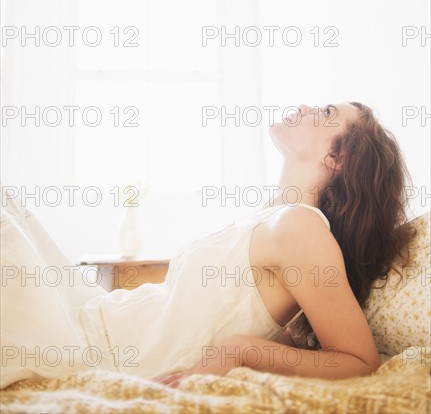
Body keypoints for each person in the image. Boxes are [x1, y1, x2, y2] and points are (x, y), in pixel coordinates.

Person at [0, 102, 416, 389]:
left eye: (327, 113)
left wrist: (240, 351)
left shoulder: (301, 228)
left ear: (337, 157)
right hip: (94, 318)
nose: (307, 106)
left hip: (99, 355)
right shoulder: (272, 216)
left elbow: (360, 361)